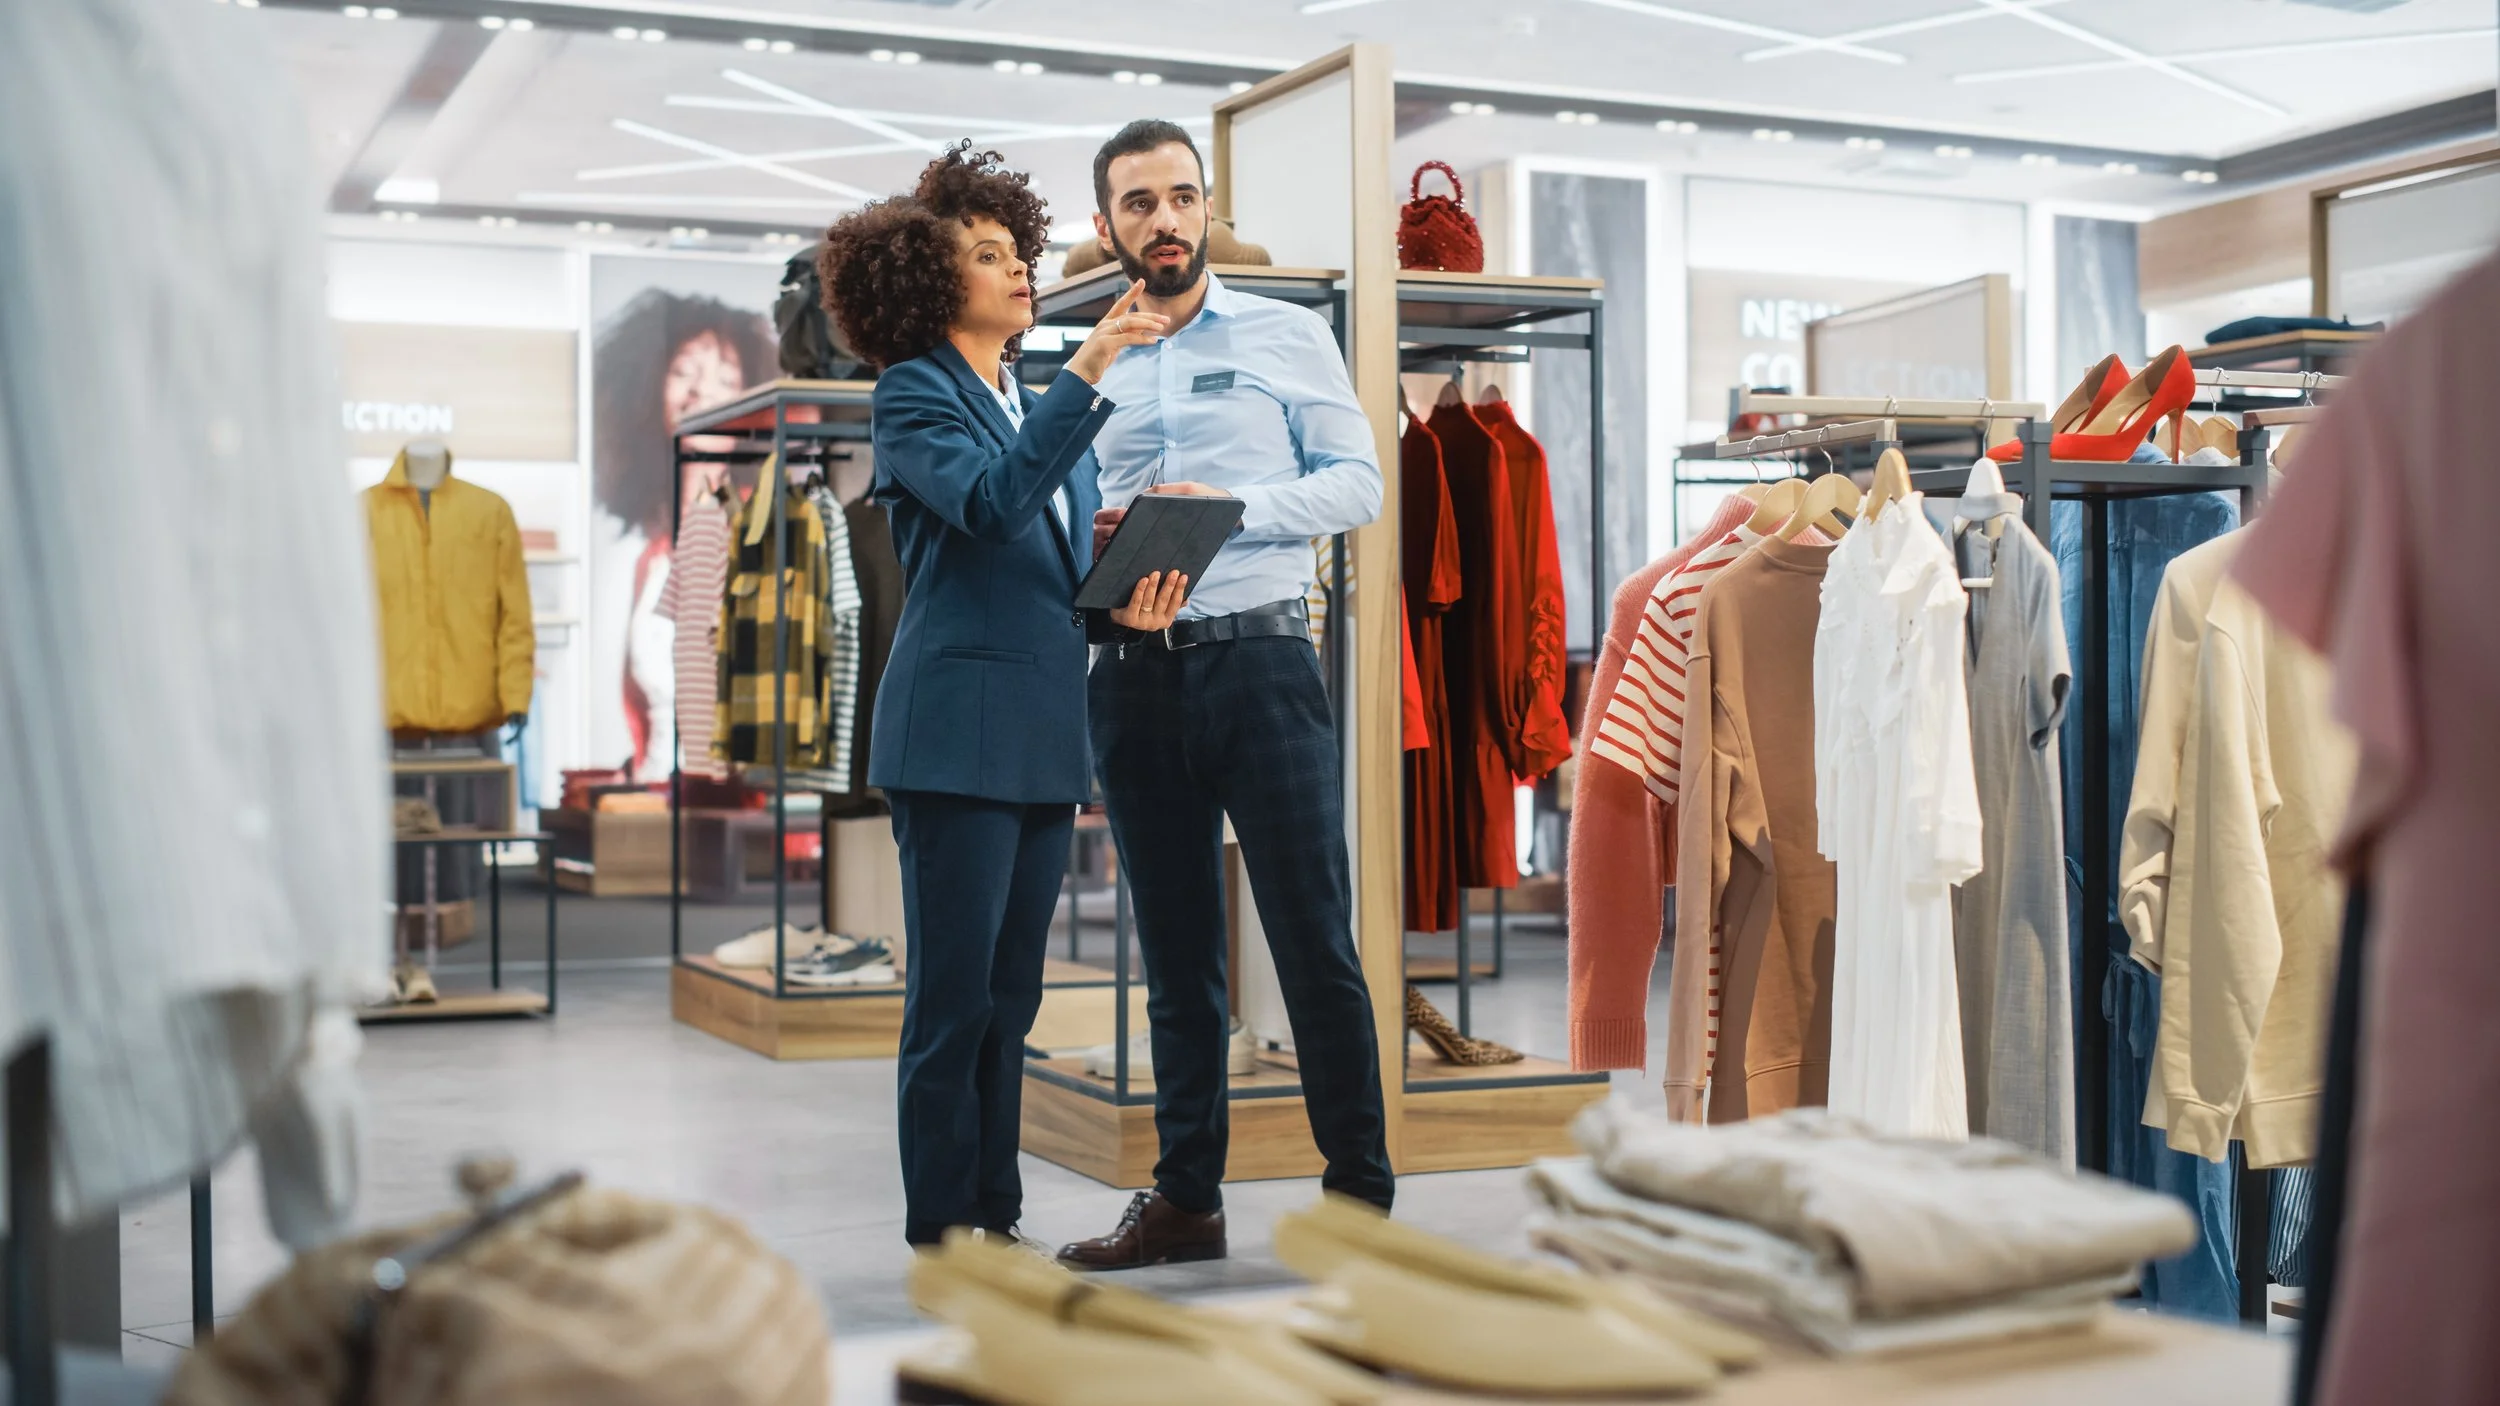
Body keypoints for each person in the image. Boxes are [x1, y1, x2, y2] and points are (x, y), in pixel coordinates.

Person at [818, 142, 1184, 1249]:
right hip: (950, 732)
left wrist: (1119, 587)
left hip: (1036, 731)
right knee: (953, 1000)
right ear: (935, 286)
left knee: (1012, 1002)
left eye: (1016, 250)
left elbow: (1043, 560)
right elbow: (985, 506)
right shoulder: (913, 393)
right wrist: (1090, 373)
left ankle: (997, 1209)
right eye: (990, 255)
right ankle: (942, 1221)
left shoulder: (1024, 396)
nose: (1019, 270)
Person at [1055, 120, 1393, 1271]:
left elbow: (1358, 483)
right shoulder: (1081, 359)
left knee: (1313, 941)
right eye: (1138, 202)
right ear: (1107, 225)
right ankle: (1186, 1199)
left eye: (1181, 197)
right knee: (1178, 955)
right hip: (1133, 681)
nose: (1164, 219)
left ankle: (1358, 1201)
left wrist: (1235, 505)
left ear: (1206, 209)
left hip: (1261, 663)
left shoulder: (1287, 333)